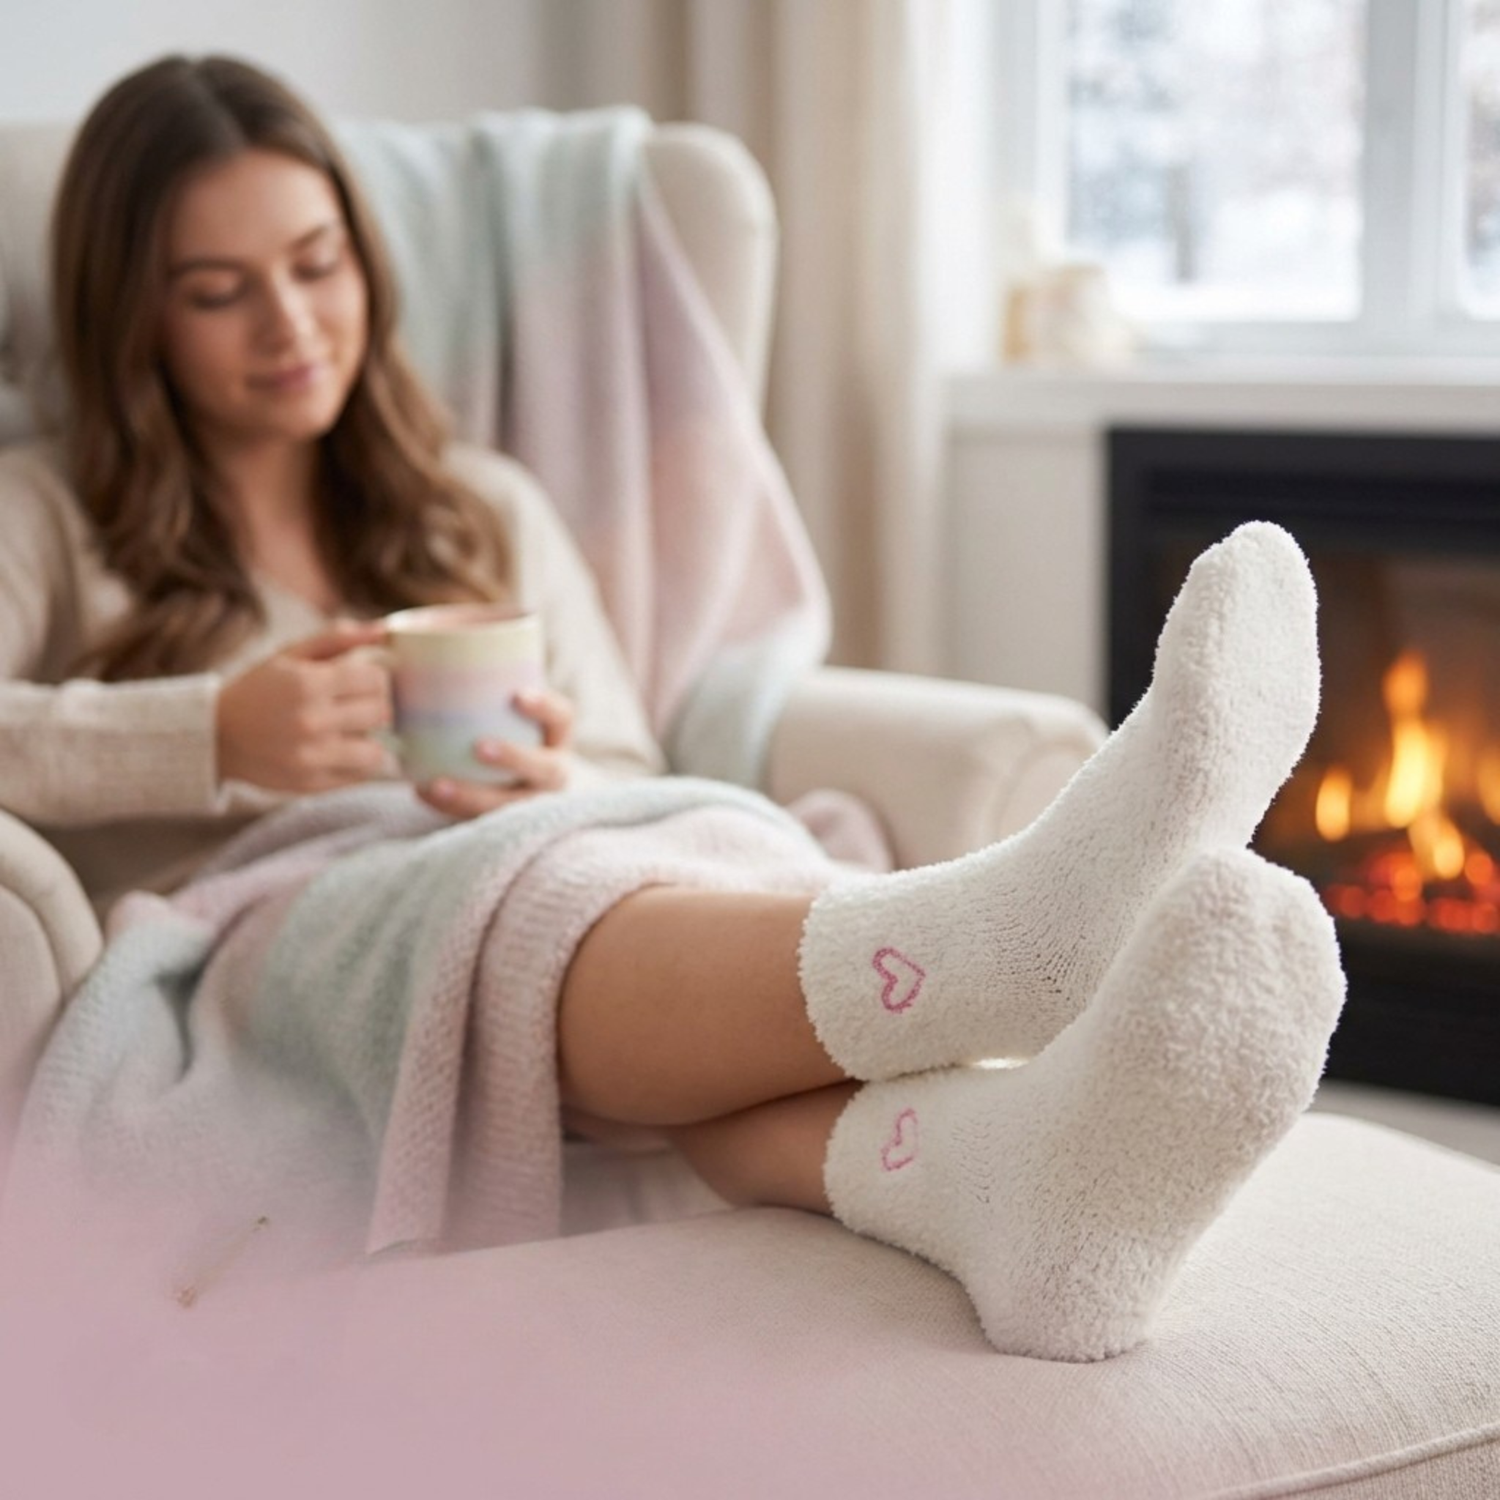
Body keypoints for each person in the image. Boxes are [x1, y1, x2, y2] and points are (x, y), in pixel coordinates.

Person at [0, 54, 1344, 1362]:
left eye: (316, 264)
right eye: (218, 291)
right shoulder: (46, 515)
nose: (290, 325)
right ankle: (1019, 932)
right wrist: (212, 735)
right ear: (134, 318)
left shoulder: (480, 507)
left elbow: (622, 762)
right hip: (273, 922)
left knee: (680, 848)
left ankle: (1014, 1200)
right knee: (536, 897)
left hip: (526, 868)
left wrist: (545, 780)